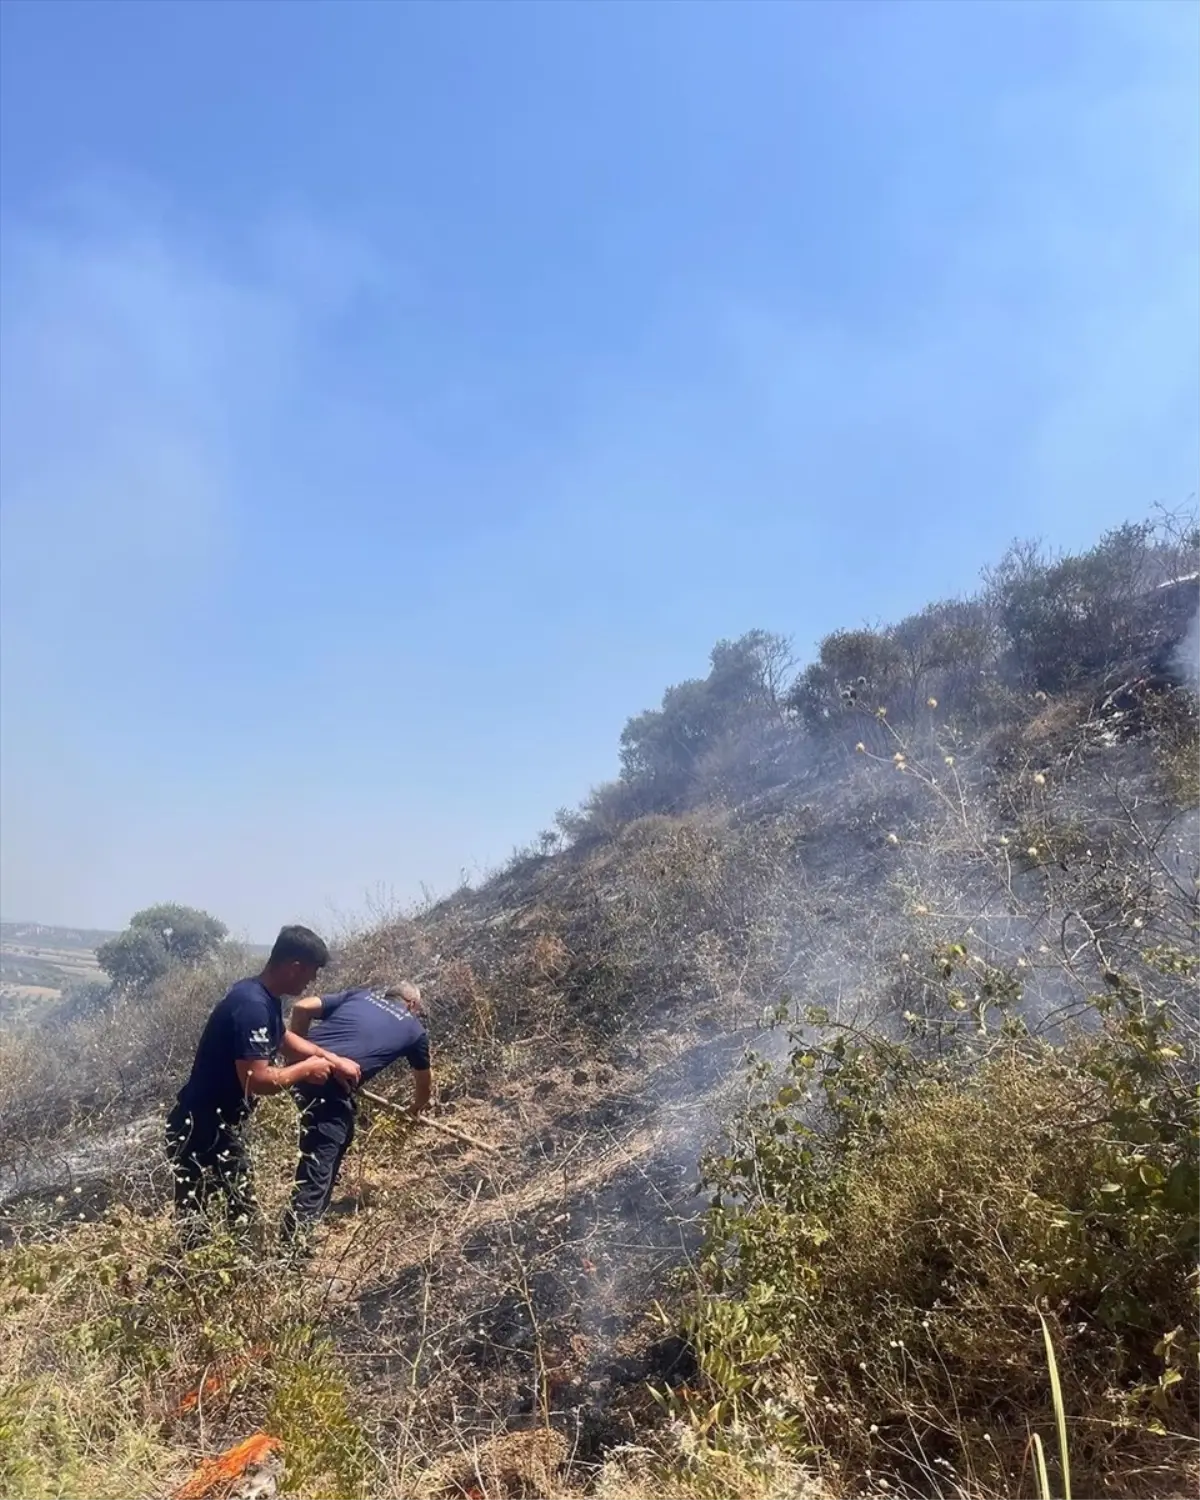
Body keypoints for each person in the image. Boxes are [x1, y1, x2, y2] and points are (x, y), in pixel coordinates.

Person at [165, 925, 362, 1230]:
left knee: (228, 1216)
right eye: (311, 972)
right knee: (215, 1223)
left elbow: (284, 1040)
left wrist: (332, 1060)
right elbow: (255, 1080)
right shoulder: (252, 1007)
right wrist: (306, 1071)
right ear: (294, 967)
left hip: (216, 1125)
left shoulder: (262, 997)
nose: (313, 980)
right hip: (201, 1129)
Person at [281, 980, 432, 1243]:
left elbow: (301, 1008)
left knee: (339, 1137)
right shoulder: (415, 1030)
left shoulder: (360, 996)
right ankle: (291, 1251)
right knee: (320, 1159)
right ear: (412, 1004)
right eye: (418, 1010)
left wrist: (299, 1060)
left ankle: (308, 1224)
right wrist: (416, 1108)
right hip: (328, 1086)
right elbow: (423, 1081)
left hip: (299, 1073)